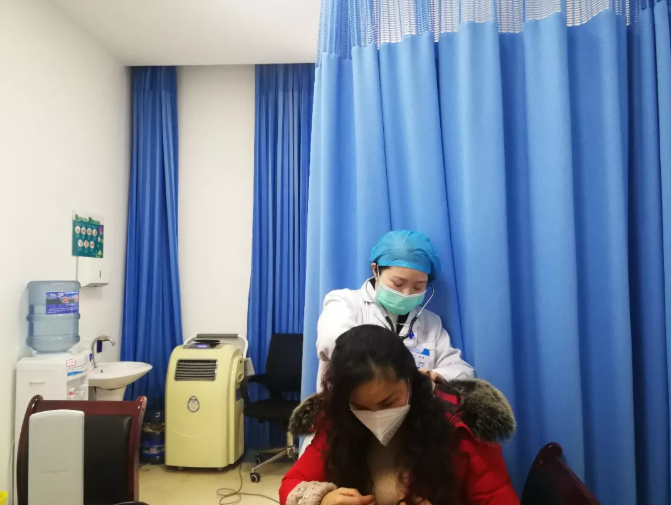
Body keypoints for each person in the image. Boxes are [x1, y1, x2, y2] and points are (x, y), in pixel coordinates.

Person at [281, 325, 519, 505]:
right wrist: (322, 499)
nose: (376, 415)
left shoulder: (458, 428)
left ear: (411, 381)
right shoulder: (336, 423)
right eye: (361, 407)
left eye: (388, 402)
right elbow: (291, 485)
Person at [316, 230, 474, 391]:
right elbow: (332, 341)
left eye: (418, 286)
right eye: (398, 283)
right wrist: (389, 373)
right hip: (349, 404)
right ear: (375, 271)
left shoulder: (431, 323)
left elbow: (462, 371)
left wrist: (433, 375)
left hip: (413, 406)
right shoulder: (345, 302)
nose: (407, 293)